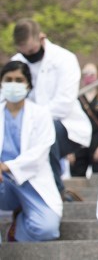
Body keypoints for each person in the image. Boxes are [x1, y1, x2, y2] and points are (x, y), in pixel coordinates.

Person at [11, 19, 90, 193]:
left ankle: (56, 190)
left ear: (41, 37)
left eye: (31, 51)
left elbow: (63, 104)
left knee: (46, 133)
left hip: (65, 125)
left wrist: (32, 119)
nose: (29, 57)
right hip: (25, 125)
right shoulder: (17, 62)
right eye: (24, 53)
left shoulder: (65, 59)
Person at [0, 60, 61, 242]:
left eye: (19, 80)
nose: (13, 84)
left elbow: (40, 153)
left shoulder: (41, 114)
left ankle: (15, 229)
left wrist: (4, 167)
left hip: (31, 180)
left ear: (28, 84)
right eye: (8, 79)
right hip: (2, 182)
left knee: (46, 229)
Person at [71, 63, 98, 177]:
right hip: (78, 144)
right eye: (85, 73)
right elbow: (70, 124)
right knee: (76, 178)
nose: (88, 76)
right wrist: (69, 151)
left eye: (92, 74)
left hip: (97, 141)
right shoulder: (76, 97)